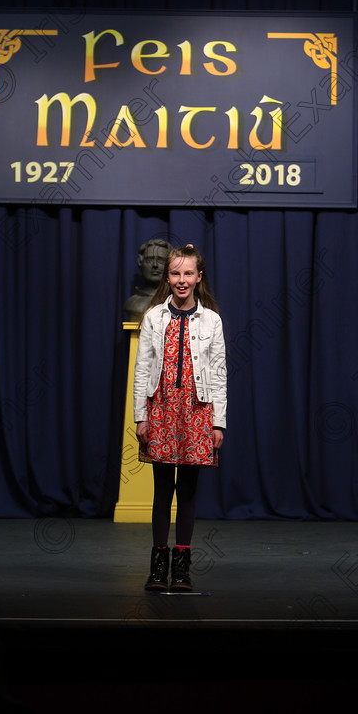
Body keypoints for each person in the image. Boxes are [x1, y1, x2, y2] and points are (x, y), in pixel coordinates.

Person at [133, 244, 227, 592]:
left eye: (188, 273)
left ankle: (182, 568)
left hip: (197, 412)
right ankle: (158, 566)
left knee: (188, 491)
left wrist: (219, 422)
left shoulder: (211, 320)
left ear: (199, 277)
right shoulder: (154, 317)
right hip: (161, 410)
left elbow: (219, 374)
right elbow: (142, 370)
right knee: (162, 491)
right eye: (175, 273)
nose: (181, 280)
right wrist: (141, 417)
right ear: (167, 277)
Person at [123, 238, 172, 321]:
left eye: (161, 260)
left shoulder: (177, 303)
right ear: (140, 263)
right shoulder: (132, 303)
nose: (155, 265)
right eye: (149, 260)